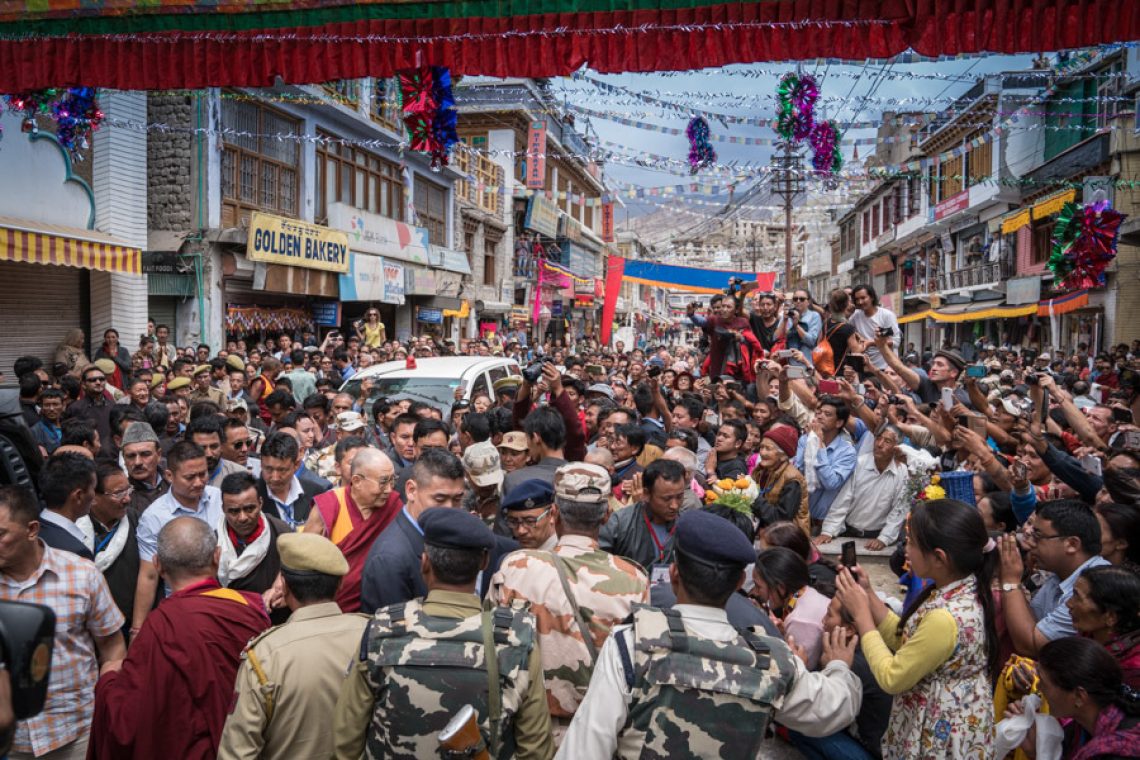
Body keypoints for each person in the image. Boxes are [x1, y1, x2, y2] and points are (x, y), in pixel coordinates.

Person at [557, 508, 863, 758]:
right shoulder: (774, 660)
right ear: (737, 585)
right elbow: (835, 709)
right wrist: (839, 666)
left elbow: (584, 748)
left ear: (674, 575)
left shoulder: (631, 645)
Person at [333, 507, 554, 760]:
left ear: (424, 562)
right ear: (484, 563)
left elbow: (346, 739)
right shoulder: (515, 636)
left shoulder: (382, 630)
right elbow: (536, 748)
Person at [490, 463, 650, 743]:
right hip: (598, 736)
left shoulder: (516, 567)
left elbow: (492, 646)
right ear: (607, 516)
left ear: (554, 513)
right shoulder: (634, 578)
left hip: (526, 732)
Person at [88, 517, 270, 759]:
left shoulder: (159, 627)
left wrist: (109, 679)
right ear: (217, 556)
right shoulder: (250, 610)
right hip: (250, 746)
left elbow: (129, 721)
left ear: (158, 565)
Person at [835, 498, 998, 759]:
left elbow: (893, 677)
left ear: (939, 557)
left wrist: (862, 618)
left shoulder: (945, 617)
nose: (905, 549)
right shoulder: (958, 588)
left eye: (911, 542)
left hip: (941, 725)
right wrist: (867, 594)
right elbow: (907, 642)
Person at [0, 486, 125, 760]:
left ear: (32, 530)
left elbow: (113, 646)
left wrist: (107, 701)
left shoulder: (81, 574)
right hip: (10, 742)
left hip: (76, 733)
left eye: (1, 534)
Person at [218, 533, 370, 759]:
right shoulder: (373, 635)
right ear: (340, 585)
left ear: (285, 586)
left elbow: (237, 752)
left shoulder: (265, 655)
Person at [131, 441, 224, 635]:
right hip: (181, 612)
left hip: (222, 603)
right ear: (169, 476)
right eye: (190, 477)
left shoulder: (219, 499)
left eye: (203, 474)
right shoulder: (154, 517)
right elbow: (149, 575)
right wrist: (138, 629)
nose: (199, 482)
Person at [359, 448, 467, 613]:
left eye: (457, 499)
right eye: (440, 499)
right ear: (411, 491)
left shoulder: (443, 535)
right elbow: (393, 634)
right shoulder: (389, 559)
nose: (450, 508)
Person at [999, 499, 1111, 655]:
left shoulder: (1095, 586)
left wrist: (1010, 581)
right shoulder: (1060, 572)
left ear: (1072, 544)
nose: (1030, 543)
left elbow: (1030, 645)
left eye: (1037, 535)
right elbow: (1033, 622)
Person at [303, 447, 402, 613]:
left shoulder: (394, 505)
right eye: (383, 482)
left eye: (393, 480)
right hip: (333, 609)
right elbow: (303, 557)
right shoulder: (330, 504)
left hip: (382, 607)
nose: (389, 490)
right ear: (356, 481)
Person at [1010, 636, 1140, 759]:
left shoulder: (1122, 751)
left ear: (1079, 696)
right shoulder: (1080, 728)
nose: (1038, 688)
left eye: (1043, 683)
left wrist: (1039, 754)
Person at [817, 423, 910, 550]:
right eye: (878, 438)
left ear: (896, 447)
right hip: (848, 532)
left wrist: (884, 538)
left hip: (876, 536)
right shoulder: (860, 463)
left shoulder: (902, 472)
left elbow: (899, 510)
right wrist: (828, 531)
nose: (879, 444)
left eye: (887, 441)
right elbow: (843, 499)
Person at [217, 472, 292, 617]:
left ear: (261, 503)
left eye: (249, 509)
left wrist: (281, 590)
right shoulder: (214, 542)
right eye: (234, 511)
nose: (243, 517)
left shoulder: (281, 533)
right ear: (223, 509)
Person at [599, 458, 686, 580]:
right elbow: (599, 563)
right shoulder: (620, 523)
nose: (674, 505)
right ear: (646, 494)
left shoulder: (687, 526)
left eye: (680, 497)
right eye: (667, 499)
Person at [81, 463, 143, 630]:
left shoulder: (137, 521)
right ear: (93, 497)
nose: (127, 499)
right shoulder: (76, 528)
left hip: (129, 621)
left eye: (128, 490)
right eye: (118, 494)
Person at [752, 546, 832, 669]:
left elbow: (799, 670)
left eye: (758, 587)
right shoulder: (805, 593)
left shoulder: (800, 621)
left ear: (781, 588)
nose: (755, 593)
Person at [1066, 564, 1140, 687]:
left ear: (1110, 617)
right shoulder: (1090, 634)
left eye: (1077, 597)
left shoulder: (1132, 669)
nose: (1069, 603)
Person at [795, 396, 857, 527]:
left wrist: (820, 446)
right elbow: (797, 473)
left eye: (827, 414)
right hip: (800, 517)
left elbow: (831, 483)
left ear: (839, 423)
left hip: (825, 524)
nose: (820, 417)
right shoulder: (805, 439)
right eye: (819, 413)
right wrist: (810, 442)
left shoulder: (847, 451)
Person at [36, 452, 97, 560]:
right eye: (93, 488)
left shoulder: (32, 530)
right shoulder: (75, 552)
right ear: (79, 496)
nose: (94, 495)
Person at [751, 424, 811, 535]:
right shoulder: (761, 471)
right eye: (761, 447)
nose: (762, 453)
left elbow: (781, 518)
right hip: (767, 533)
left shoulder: (792, 479)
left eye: (768, 449)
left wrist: (753, 497)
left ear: (782, 455)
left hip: (789, 539)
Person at [503, 406, 568, 494]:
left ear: (536, 438)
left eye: (527, 439)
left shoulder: (514, 480)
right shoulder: (582, 476)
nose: (528, 446)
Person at [120, 422, 169, 513]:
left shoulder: (174, 485)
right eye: (131, 456)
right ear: (124, 459)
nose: (137, 462)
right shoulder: (122, 497)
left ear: (158, 455)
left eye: (145, 454)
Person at [187, 416, 247, 490]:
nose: (209, 454)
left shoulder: (240, 475)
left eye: (214, 446)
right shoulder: (177, 475)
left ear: (221, 446)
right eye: (202, 448)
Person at [849, 284, 899, 371]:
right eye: (857, 299)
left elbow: (895, 341)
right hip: (865, 368)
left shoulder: (886, 315)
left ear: (872, 297)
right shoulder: (855, 316)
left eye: (863, 298)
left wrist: (871, 343)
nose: (860, 302)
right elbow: (848, 330)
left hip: (886, 368)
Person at [501, 479, 559, 551]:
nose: (521, 531)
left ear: (552, 514)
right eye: (513, 522)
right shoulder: (512, 554)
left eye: (530, 521)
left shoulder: (565, 557)